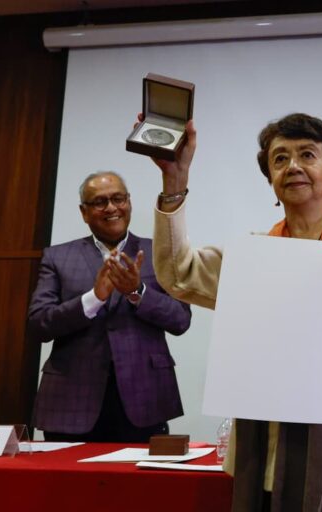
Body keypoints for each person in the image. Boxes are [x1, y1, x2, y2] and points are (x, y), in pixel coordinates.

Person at [149, 113, 322, 511]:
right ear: (270, 177)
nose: (293, 167)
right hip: (265, 449)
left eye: (307, 155)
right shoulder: (253, 255)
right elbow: (177, 273)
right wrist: (174, 181)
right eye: (280, 159)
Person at [27, 171, 192, 442]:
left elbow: (180, 320)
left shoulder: (160, 252)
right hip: (71, 401)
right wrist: (94, 299)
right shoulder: (57, 257)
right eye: (100, 201)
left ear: (129, 202)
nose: (112, 208)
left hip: (145, 399)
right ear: (84, 212)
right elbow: (38, 325)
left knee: (140, 485)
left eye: (118, 198)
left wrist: (137, 292)